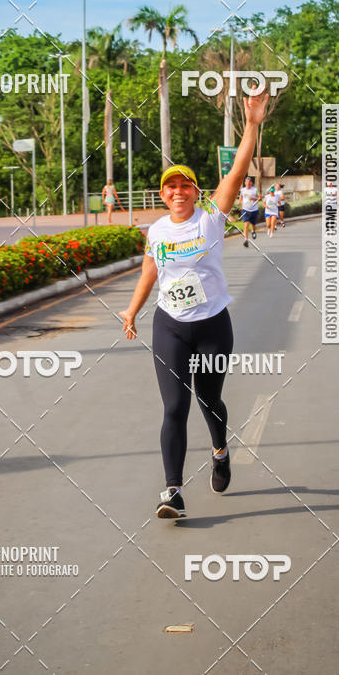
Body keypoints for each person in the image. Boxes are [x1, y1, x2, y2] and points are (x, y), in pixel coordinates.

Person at [118, 91, 269, 518]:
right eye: (171, 186)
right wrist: (131, 311)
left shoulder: (210, 218)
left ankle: (220, 450)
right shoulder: (157, 231)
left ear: (195, 191)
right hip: (169, 326)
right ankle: (172, 492)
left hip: (212, 326)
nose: (178, 191)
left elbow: (237, 172)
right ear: (163, 194)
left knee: (208, 400)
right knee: (174, 407)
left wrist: (251, 124)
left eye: (185, 185)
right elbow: (150, 272)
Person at [239, 176, 260, 247]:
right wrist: (239, 202)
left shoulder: (255, 190)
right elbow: (241, 197)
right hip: (245, 210)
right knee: (246, 224)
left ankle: (253, 231)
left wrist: (254, 198)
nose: (248, 183)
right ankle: (246, 240)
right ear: (245, 183)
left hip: (254, 210)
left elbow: (260, 198)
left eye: (249, 182)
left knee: (253, 224)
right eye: (246, 182)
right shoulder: (242, 190)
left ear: (251, 183)